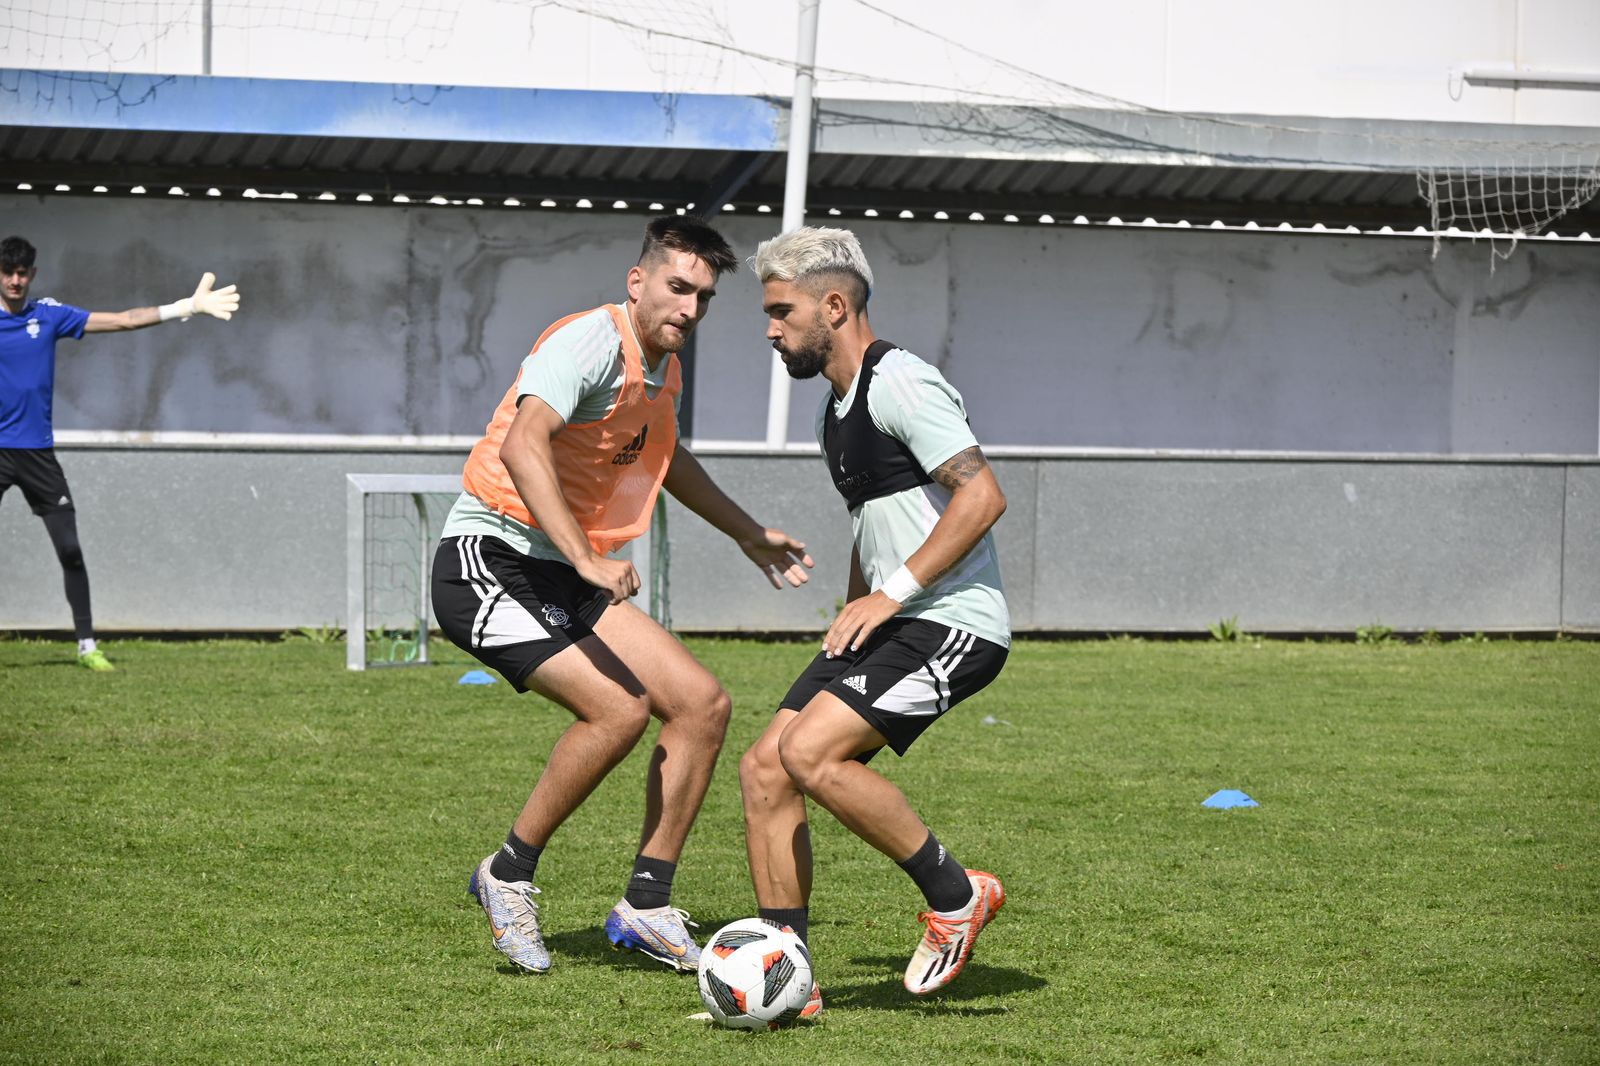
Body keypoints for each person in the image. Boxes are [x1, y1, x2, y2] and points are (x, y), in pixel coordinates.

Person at [434, 215, 814, 978]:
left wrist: (746, 532)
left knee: (702, 704)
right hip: (489, 559)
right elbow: (522, 442)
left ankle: (646, 902)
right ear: (638, 282)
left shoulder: (660, 368)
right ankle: (506, 874)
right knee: (618, 709)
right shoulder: (587, 342)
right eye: (678, 288)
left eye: (704, 298)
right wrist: (586, 556)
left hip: (566, 571)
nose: (690, 309)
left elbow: (668, 460)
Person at [741, 226, 1011, 1003]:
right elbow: (876, 525)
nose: (770, 328)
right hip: (893, 620)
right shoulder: (835, 410)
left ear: (833, 305)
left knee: (813, 755)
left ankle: (957, 898)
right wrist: (860, 607)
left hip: (955, 622)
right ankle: (785, 975)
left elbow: (982, 496)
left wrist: (889, 597)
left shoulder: (901, 381)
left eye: (781, 311)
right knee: (764, 766)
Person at [0, 236, 240, 671]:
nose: (15, 280)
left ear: (32, 274)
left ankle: (87, 646)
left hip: (37, 455)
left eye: (22, 273)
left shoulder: (49, 315)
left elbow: (124, 320)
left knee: (70, 551)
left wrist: (185, 307)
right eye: (7, 272)